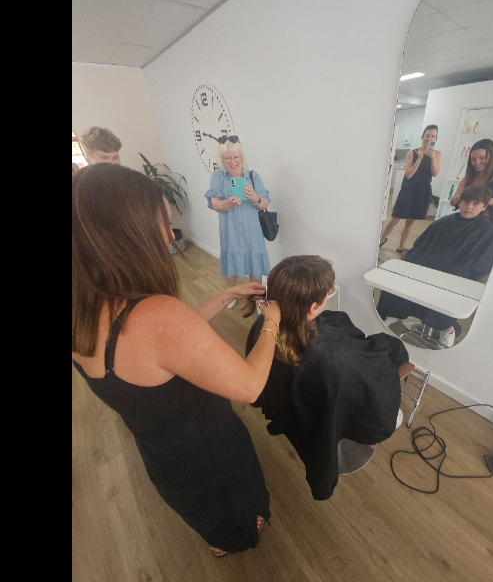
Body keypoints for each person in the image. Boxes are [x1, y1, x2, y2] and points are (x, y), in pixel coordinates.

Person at [72, 163, 282, 557]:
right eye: (163, 224)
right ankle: (233, 540)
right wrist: (272, 322)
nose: (171, 236)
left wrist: (225, 296)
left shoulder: (85, 307)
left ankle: (217, 543)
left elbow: (162, 347)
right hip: (210, 454)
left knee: (203, 514)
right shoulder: (157, 316)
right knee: (235, 515)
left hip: (164, 456)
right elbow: (250, 385)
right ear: (125, 234)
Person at [242, 256, 410, 500]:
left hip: (292, 408)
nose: (329, 295)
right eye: (327, 294)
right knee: (388, 354)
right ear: (313, 307)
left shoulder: (265, 326)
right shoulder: (335, 360)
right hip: (324, 399)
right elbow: (372, 385)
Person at [377, 185, 493, 348]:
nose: (469, 207)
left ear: (484, 206)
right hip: (428, 265)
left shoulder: (488, 231)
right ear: (460, 202)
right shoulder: (444, 221)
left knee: (443, 291)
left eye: (475, 203)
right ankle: (395, 313)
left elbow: (485, 262)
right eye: (466, 202)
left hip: (458, 273)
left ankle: (447, 330)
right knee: (400, 279)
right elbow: (421, 244)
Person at [204, 137, 271, 309]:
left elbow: (265, 204)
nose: (232, 161)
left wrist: (254, 197)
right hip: (230, 229)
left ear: (242, 157)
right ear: (222, 159)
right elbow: (216, 205)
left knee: (255, 265)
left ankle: (257, 298)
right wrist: (229, 203)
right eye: (227, 158)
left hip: (252, 230)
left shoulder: (253, 176)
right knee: (231, 264)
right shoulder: (218, 176)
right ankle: (231, 294)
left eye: (236, 157)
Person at [380, 125, 441, 253]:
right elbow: (408, 175)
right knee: (395, 219)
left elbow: (435, 173)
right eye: (427, 135)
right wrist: (419, 160)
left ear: (435, 138)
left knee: (410, 222)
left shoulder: (437, 154)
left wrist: (433, 158)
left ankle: (401, 246)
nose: (429, 138)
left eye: (433, 136)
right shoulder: (411, 153)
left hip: (423, 191)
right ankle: (381, 240)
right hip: (408, 190)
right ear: (422, 137)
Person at [450, 138, 493, 229]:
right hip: (467, 222)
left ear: (492, 157)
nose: (477, 162)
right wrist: (456, 200)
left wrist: (485, 201)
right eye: (473, 159)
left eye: (482, 158)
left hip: (489, 224)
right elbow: (455, 198)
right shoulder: (469, 177)